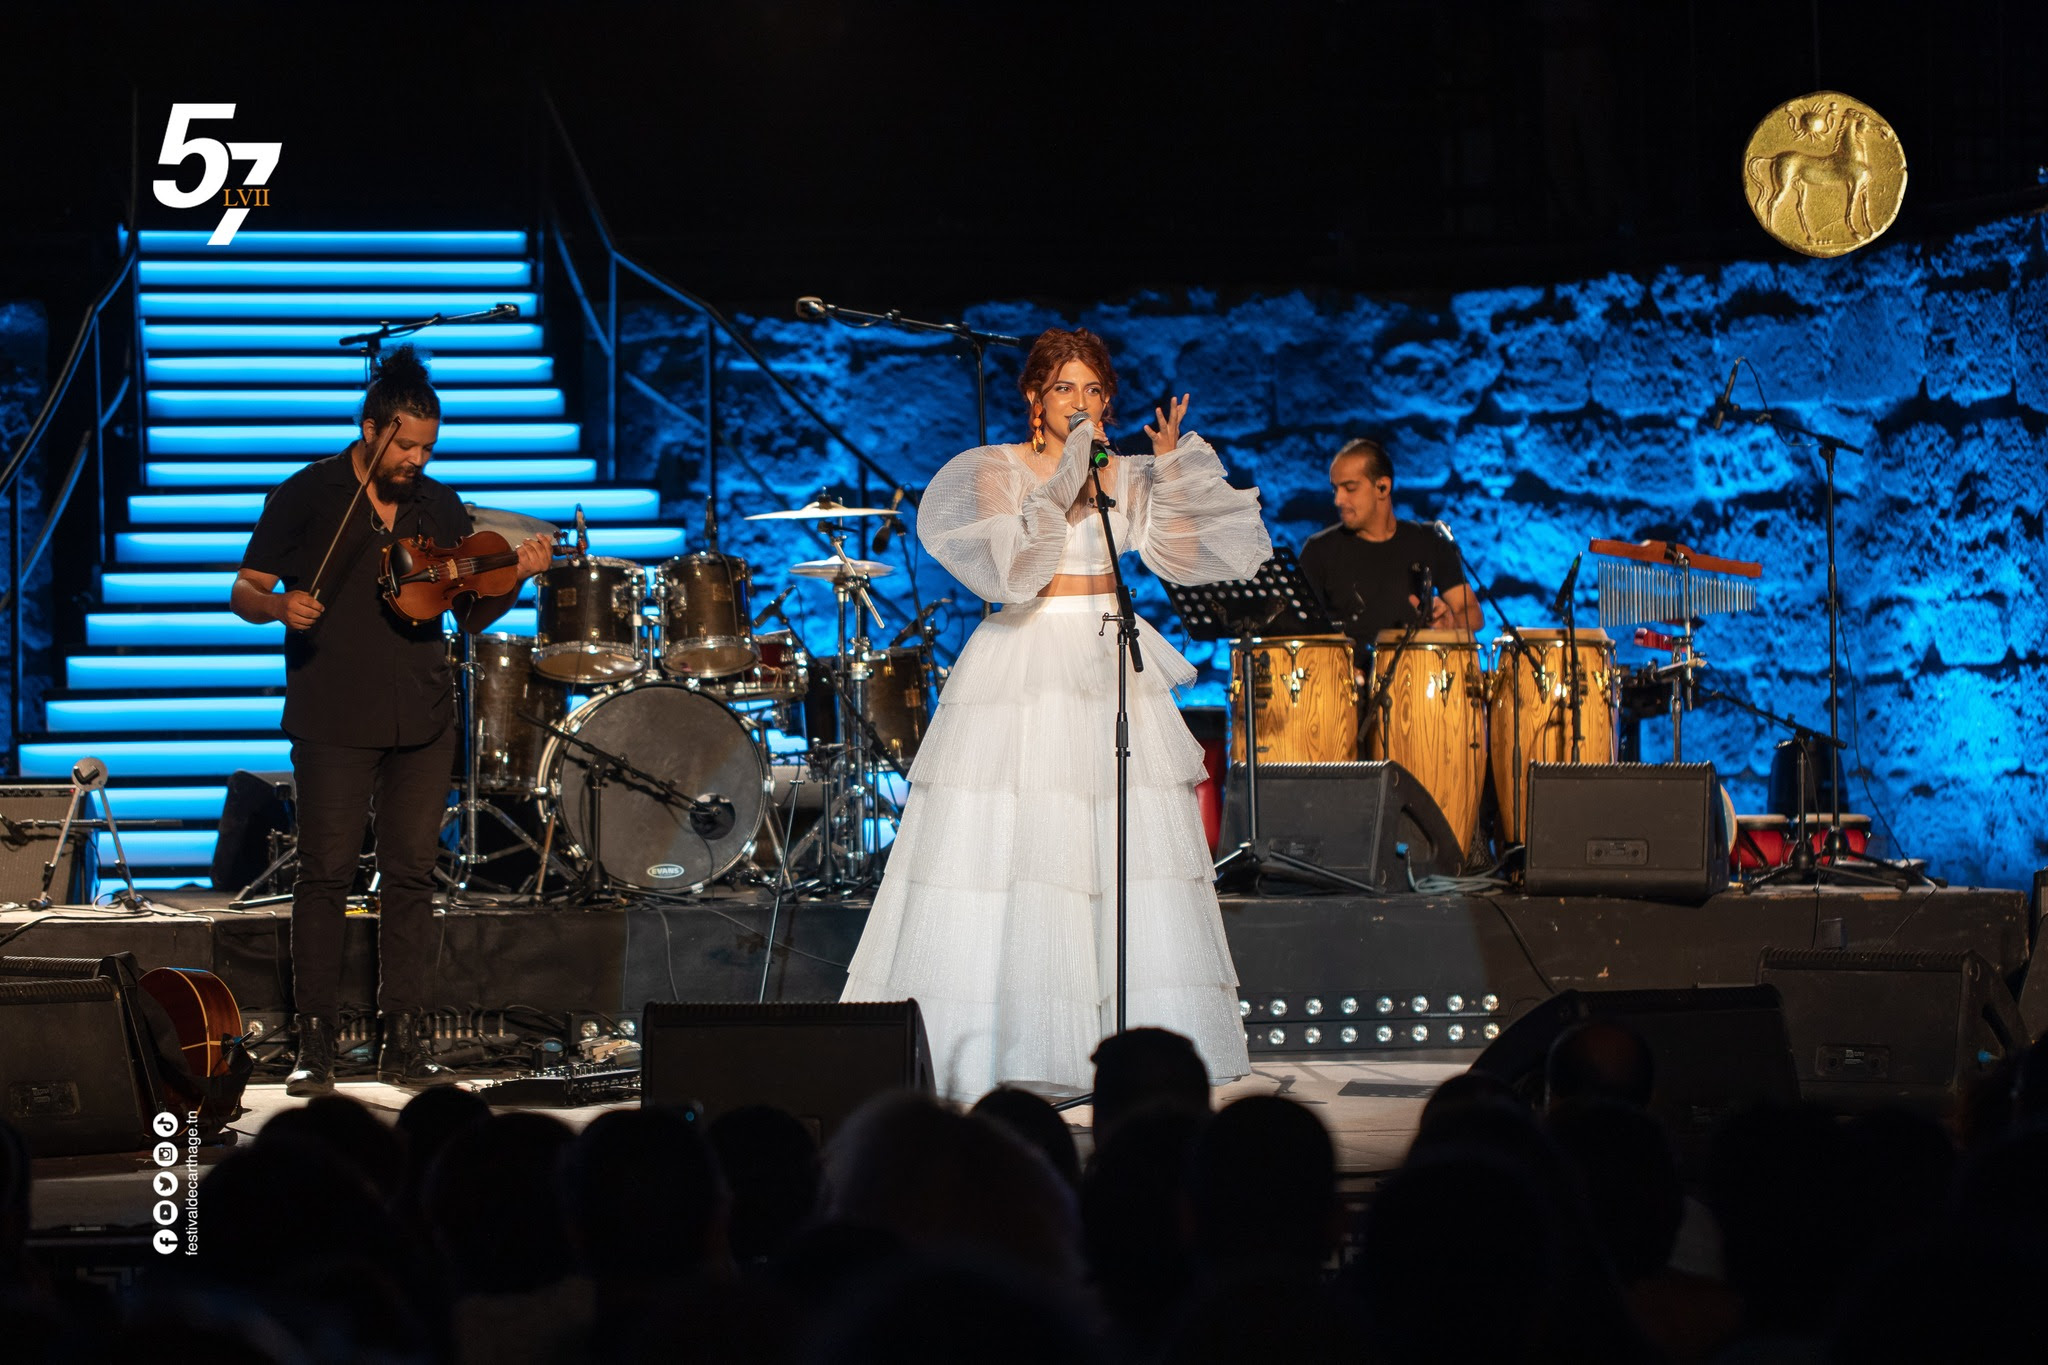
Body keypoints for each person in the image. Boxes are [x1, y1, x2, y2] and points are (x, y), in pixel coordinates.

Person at [841, 327, 1270, 1100]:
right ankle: (1003, 1041)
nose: (1082, 402)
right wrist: (1069, 474)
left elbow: (1187, 554)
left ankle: (1121, 1046)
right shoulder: (999, 469)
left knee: (1116, 845)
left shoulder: (1120, 474)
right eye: (1066, 388)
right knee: (1024, 848)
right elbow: (1013, 571)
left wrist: (1168, 469)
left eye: (1094, 389)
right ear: (1035, 397)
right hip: (1030, 658)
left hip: (1107, 652)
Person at [230, 346, 551, 1093]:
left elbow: (469, 612)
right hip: (333, 710)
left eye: (427, 447)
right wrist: (279, 606)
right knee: (325, 874)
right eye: (405, 445)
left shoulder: (437, 504)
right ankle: (317, 1045)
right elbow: (244, 587)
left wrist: (515, 576)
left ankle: (404, 1041)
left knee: (410, 875)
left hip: (423, 713)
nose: (415, 458)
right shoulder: (308, 493)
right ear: (369, 428)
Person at [1299, 436, 1482, 654]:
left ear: (1383, 488)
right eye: (1335, 489)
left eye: (1349, 488)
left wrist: (1451, 622)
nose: (1338, 500)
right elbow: (1300, 634)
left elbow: (1474, 615)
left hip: (1418, 680)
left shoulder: (1429, 541)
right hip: (1346, 683)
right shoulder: (1319, 551)